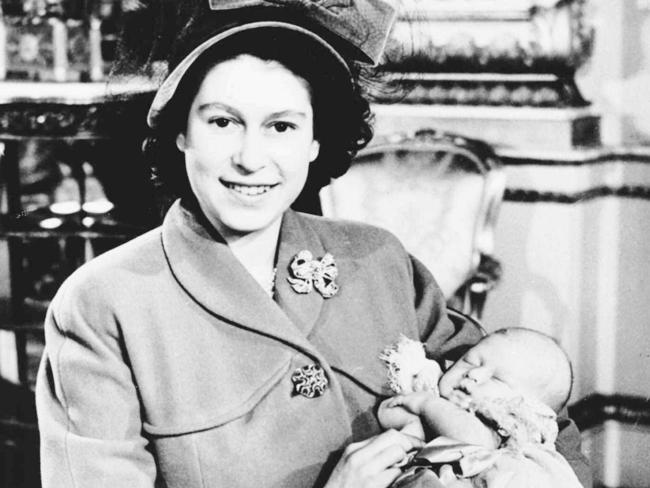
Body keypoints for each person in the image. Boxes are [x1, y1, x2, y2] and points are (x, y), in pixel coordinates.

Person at [35, 1, 589, 487]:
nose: (251, 158)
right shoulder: (102, 306)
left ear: (315, 139)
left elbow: (534, 413)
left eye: (281, 127)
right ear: (180, 132)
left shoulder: (380, 261)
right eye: (223, 122)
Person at [378, 328, 584, 488]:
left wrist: (425, 404)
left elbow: (473, 437)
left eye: (497, 379)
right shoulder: (441, 403)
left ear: (530, 408)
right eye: (470, 361)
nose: (474, 374)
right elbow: (390, 418)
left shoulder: (507, 426)